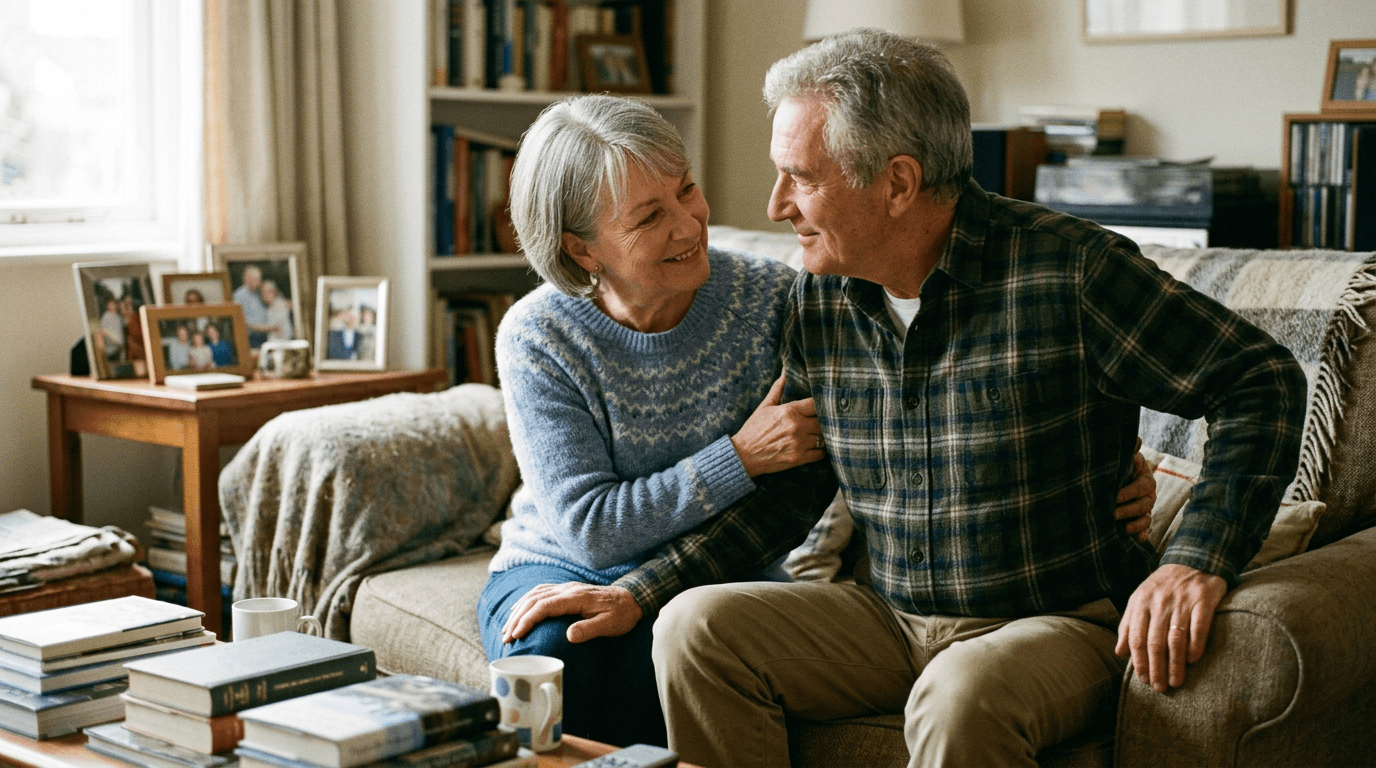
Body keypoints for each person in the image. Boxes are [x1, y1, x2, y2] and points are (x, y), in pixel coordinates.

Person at [484, 94, 1158, 751]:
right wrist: (739, 457)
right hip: (565, 559)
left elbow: (907, 406)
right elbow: (591, 531)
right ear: (583, 251)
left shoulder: (775, 299)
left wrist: (1094, 458)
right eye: (648, 218)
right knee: (556, 658)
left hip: (719, 567)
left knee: (664, 651)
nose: (688, 226)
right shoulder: (539, 334)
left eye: (687, 191)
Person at [234, 265, 270, 348]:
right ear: (247, 279)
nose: (258, 282)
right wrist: (258, 327)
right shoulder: (239, 295)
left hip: (267, 335)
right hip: (251, 337)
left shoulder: (262, 292)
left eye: (258, 279)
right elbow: (239, 319)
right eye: (255, 279)